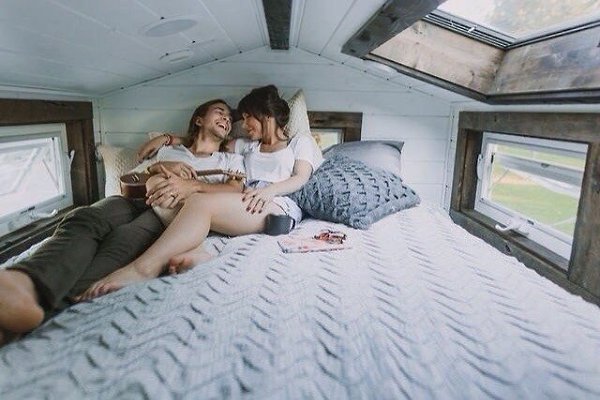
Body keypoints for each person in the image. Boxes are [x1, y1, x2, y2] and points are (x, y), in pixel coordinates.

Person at [0, 99, 241, 345]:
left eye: (230, 119)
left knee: (124, 238)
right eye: (220, 112)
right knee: (85, 217)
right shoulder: (170, 151)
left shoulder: (229, 160)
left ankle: (42, 310)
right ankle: (24, 281)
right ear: (199, 119)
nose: (226, 119)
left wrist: (192, 185)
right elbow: (137, 174)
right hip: (133, 200)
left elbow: (235, 190)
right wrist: (161, 165)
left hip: (168, 213)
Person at [78, 85, 323, 300]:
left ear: (265, 115)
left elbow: (300, 177)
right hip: (244, 201)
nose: (244, 125)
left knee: (200, 202)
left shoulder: (299, 142)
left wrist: (269, 191)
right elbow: (203, 140)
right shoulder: (247, 146)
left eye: (248, 117)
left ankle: (144, 268)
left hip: (277, 205)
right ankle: (195, 251)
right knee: (166, 187)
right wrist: (166, 139)